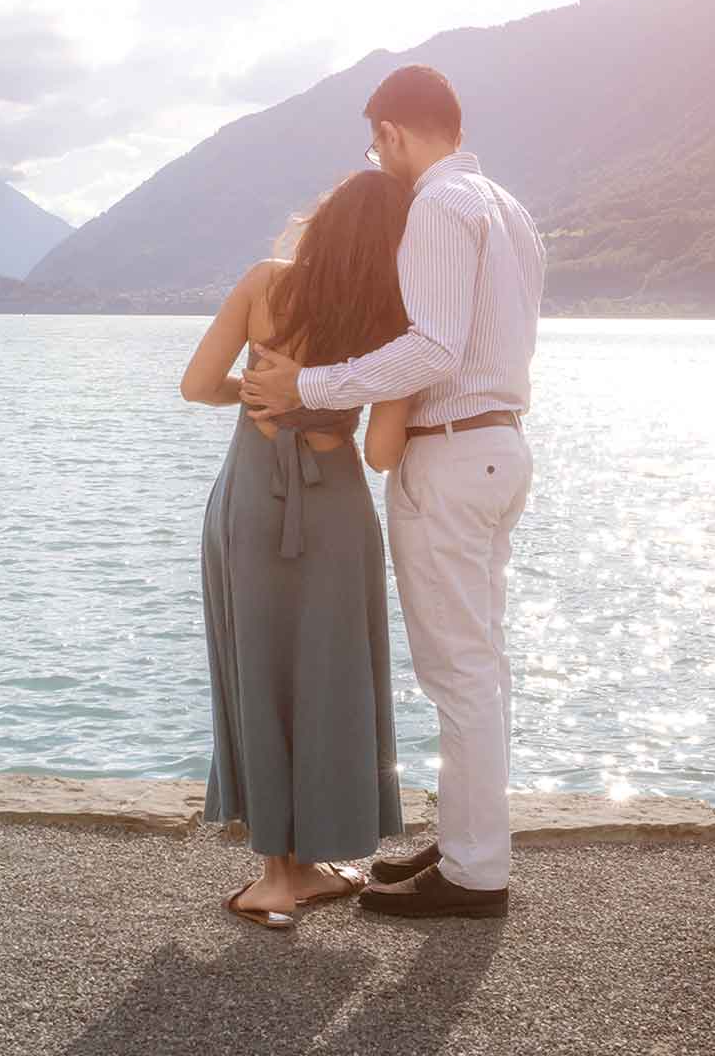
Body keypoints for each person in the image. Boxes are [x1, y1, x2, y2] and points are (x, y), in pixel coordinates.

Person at [242, 64, 546, 920]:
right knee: (482, 667)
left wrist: (314, 384)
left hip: (450, 454)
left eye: (377, 140)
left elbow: (433, 349)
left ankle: (477, 873)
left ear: (395, 132)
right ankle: (466, 845)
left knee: (458, 674)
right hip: (498, 447)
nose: (378, 157)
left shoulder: (439, 209)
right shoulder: (509, 209)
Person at [179, 169, 414, 929]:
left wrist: (260, 395)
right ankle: (310, 860)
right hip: (335, 502)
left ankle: (281, 875)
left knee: (260, 665)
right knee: (330, 673)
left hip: (253, 493)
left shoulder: (264, 283)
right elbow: (381, 451)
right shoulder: (395, 315)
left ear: (321, 223)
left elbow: (197, 384)